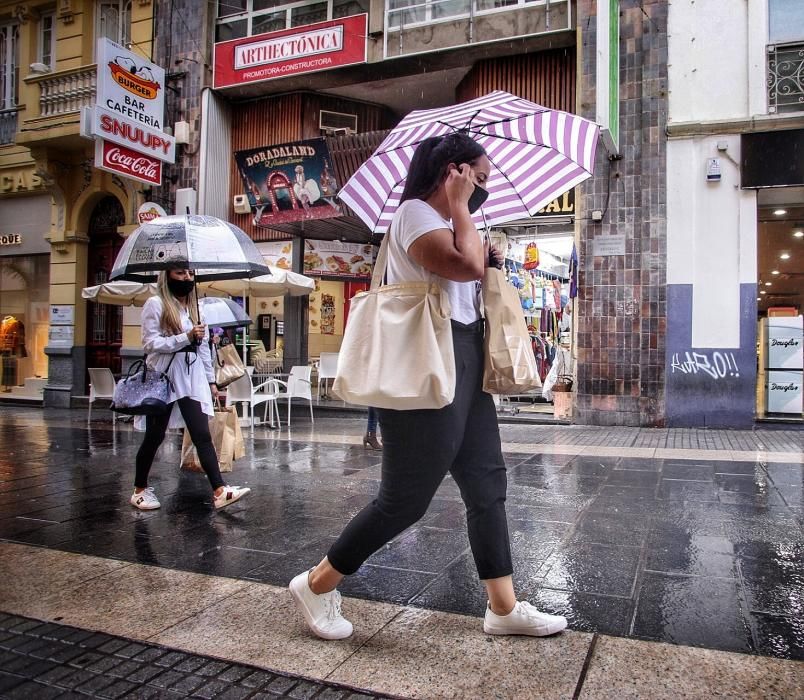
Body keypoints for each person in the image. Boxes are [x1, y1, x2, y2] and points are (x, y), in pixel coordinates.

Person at [289, 133, 567, 640]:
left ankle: (503, 610)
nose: (484, 189)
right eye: (478, 178)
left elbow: (471, 278)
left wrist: (487, 253)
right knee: (405, 499)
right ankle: (317, 583)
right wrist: (463, 210)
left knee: (487, 485)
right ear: (453, 172)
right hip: (425, 361)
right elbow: (461, 265)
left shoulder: (453, 222)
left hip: (465, 357)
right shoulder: (415, 215)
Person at [131, 268, 251, 511]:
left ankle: (220, 490)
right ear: (167, 277)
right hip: (163, 378)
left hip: (190, 379)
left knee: (201, 434)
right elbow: (150, 343)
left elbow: (204, 348)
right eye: (180, 273)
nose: (186, 278)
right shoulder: (155, 304)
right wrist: (185, 337)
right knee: (155, 436)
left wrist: (210, 381)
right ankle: (139, 490)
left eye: (189, 273)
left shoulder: (196, 308)